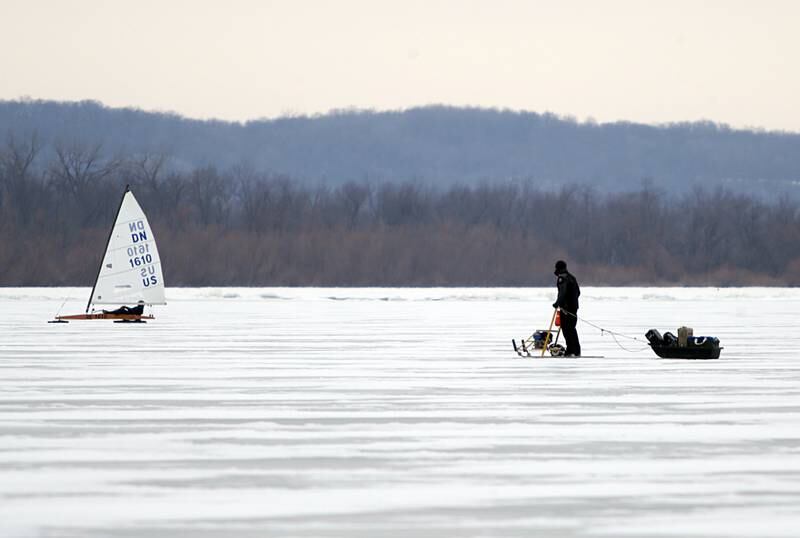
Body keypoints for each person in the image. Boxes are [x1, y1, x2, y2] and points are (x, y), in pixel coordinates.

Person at [552, 260, 581, 357]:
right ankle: (576, 351)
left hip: (566, 309)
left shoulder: (562, 278)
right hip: (573, 308)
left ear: (558, 268)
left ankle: (570, 351)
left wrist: (558, 303)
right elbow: (578, 292)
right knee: (572, 329)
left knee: (566, 330)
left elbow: (563, 293)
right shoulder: (572, 277)